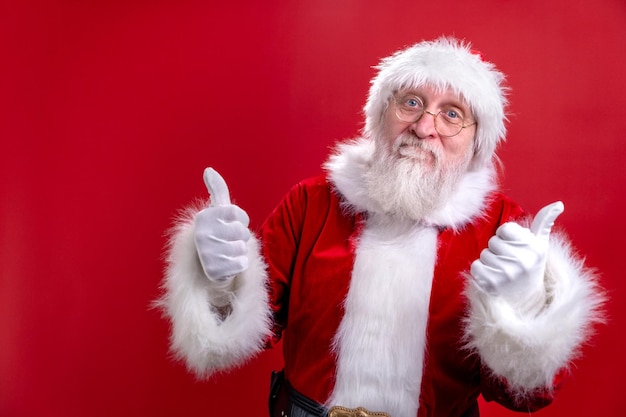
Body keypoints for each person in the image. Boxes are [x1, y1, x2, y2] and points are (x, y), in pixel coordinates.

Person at [157, 37, 605, 417]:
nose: (425, 126)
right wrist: (220, 281)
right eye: (411, 102)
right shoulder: (310, 203)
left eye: (452, 114)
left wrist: (523, 310)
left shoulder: (503, 229)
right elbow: (243, 333)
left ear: (475, 143)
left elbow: (525, 396)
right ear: (380, 116)